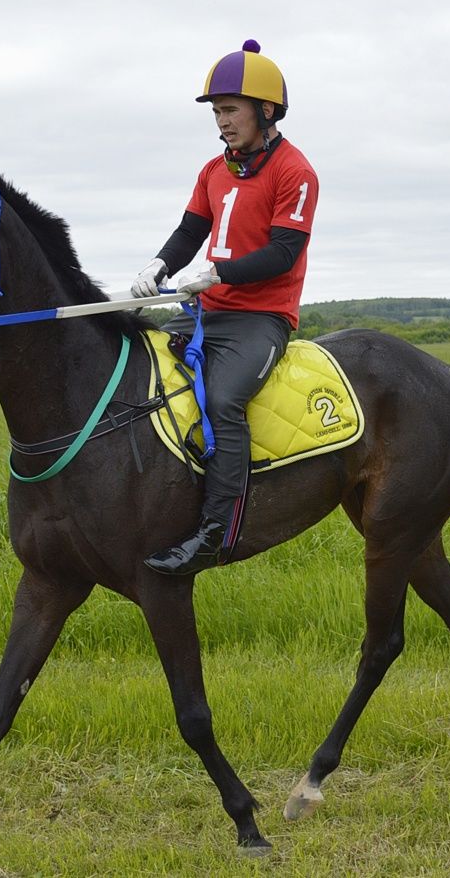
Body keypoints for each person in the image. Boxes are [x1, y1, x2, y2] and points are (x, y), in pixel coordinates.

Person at [132, 40, 319, 576]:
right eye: (216, 112)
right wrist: (159, 265)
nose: (221, 122)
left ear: (266, 110)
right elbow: (192, 229)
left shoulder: (295, 171)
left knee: (225, 401)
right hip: (204, 310)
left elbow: (284, 252)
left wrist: (217, 272)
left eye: (230, 110)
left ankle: (215, 531)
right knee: (145, 378)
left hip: (261, 318)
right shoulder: (213, 170)